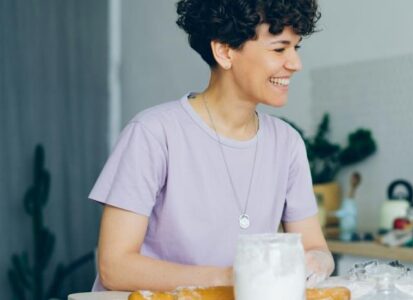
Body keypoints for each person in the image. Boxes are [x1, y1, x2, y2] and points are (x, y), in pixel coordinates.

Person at [89, 0, 333, 292]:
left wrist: (317, 261)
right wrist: (235, 278)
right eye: (280, 49)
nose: (295, 63)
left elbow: (316, 246)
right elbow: (114, 268)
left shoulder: (287, 143)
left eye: (296, 48)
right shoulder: (153, 133)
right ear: (225, 51)